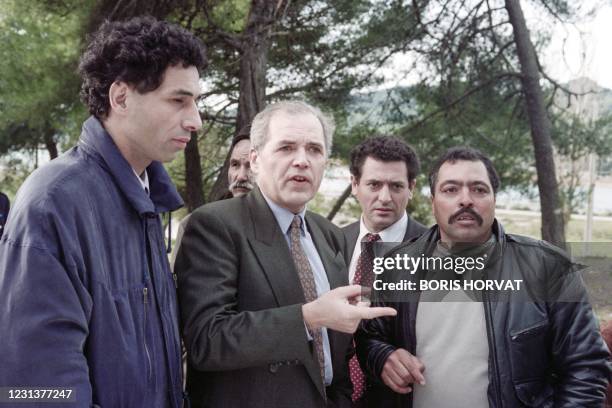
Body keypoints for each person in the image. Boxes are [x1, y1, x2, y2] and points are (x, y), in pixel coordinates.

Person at [0, 17, 205, 407]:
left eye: (196, 102)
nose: (195, 120)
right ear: (121, 97)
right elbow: (37, 389)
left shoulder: (148, 199)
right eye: (178, 100)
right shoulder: (54, 203)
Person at [175, 100, 396, 408]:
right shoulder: (215, 225)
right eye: (287, 148)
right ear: (255, 160)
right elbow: (207, 340)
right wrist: (308, 317)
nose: (302, 161)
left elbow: (339, 350)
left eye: (314, 150)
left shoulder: (330, 235)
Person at [356, 147, 611, 407]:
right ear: (433, 201)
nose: (465, 200)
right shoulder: (397, 266)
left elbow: (586, 367)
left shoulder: (549, 269)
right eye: (451, 189)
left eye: (479, 189)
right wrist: (383, 357)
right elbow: (370, 337)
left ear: (494, 200)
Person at [343, 136, 426, 406]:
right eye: (374, 184)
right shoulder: (330, 243)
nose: (385, 197)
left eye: (396, 186)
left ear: (411, 188)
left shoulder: (436, 253)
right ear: (355, 184)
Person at [170, 128, 253, 267]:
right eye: (235, 165)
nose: (240, 176)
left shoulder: (288, 226)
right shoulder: (196, 225)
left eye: (250, 166)